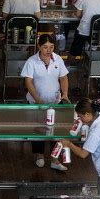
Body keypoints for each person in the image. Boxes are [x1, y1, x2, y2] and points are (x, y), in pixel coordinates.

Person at [21, 34, 70, 171]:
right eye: (45, 47)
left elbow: (64, 78)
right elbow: (28, 82)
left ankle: (55, 160)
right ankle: (39, 156)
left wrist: (65, 94)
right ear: (39, 46)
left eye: (51, 47)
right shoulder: (32, 61)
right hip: (37, 102)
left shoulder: (58, 59)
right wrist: (37, 98)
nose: (48, 50)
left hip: (54, 101)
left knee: (57, 131)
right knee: (39, 129)